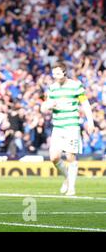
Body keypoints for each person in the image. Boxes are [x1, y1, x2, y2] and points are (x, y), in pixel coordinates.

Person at [41, 61, 94, 196]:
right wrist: (47, 106)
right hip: (57, 126)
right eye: (54, 73)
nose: (56, 75)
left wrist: (91, 121)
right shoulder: (52, 88)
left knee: (70, 156)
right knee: (54, 157)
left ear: (64, 73)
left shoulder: (75, 86)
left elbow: (85, 104)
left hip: (71, 126)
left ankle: (71, 188)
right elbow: (44, 106)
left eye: (58, 73)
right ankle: (66, 178)